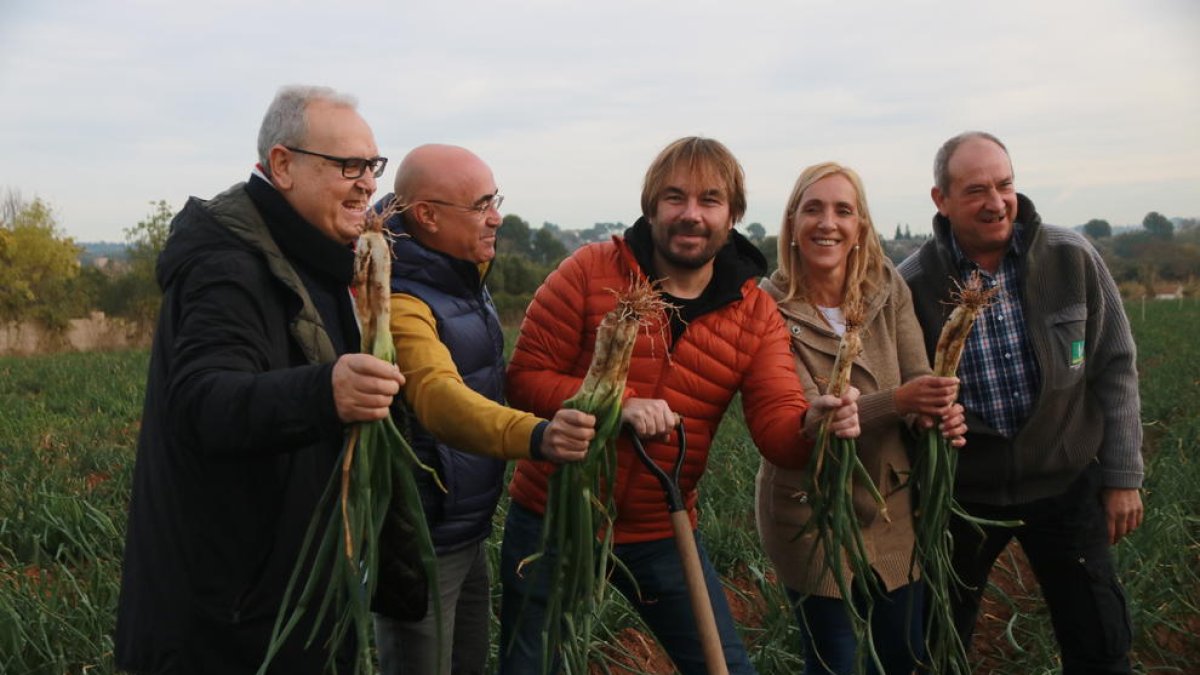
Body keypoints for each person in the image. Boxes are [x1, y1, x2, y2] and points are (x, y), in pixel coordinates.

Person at [498, 136, 862, 675]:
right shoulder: (588, 271)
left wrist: (814, 423)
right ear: (651, 206)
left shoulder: (754, 313)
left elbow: (777, 430)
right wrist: (613, 407)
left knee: (724, 666)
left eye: (710, 200)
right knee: (530, 666)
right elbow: (524, 379)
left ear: (732, 214)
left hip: (660, 529)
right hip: (553, 517)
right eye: (675, 198)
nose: (692, 215)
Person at [113, 85, 405, 674]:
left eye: (372, 166)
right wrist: (325, 391)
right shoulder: (229, 266)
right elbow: (202, 402)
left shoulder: (315, 257)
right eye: (348, 165)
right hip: (232, 620)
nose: (368, 183)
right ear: (282, 165)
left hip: (294, 595)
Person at [898, 131, 1143, 674]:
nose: (996, 201)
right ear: (941, 200)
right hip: (961, 498)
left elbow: (1115, 367)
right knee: (939, 648)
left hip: (1064, 484)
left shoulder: (1070, 257)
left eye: (1005, 184)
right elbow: (901, 395)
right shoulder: (912, 284)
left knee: (1101, 641)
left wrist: (1123, 476)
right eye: (976, 190)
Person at [369, 144, 595, 675]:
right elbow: (439, 399)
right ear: (426, 215)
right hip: (423, 537)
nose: (496, 215)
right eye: (481, 204)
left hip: (464, 527)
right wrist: (538, 436)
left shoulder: (459, 276)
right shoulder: (401, 299)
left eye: (495, 199)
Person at [755, 162, 966, 674]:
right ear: (792, 222)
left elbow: (917, 371)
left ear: (860, 228)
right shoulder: (766, 304)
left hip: (892, 505)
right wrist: (901, 402)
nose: (828, 222)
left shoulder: (886, 286)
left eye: (843, 211)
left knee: (902, 656)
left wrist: (937, 415)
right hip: (814, 512)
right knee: (834, 663)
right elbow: (808, 416)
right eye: (814, 209)